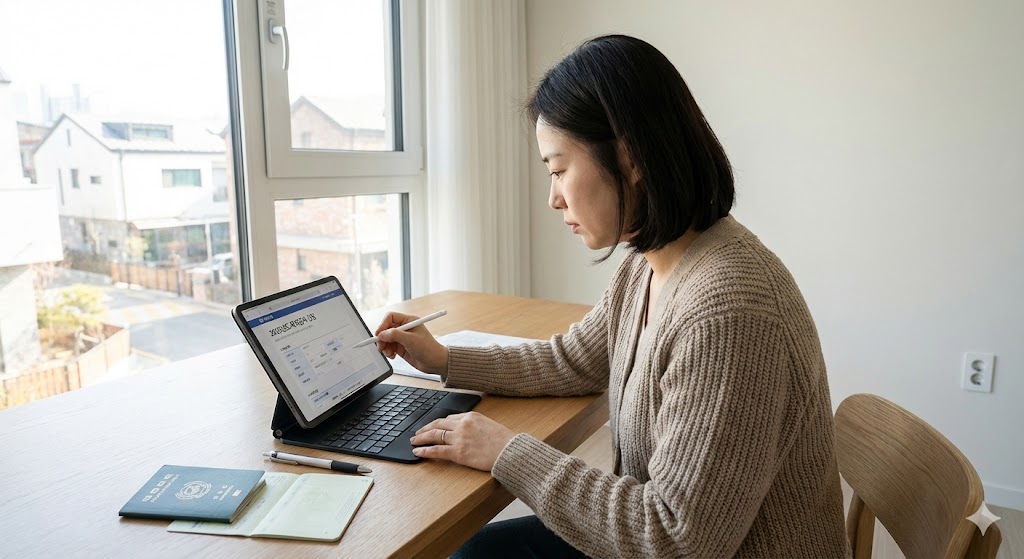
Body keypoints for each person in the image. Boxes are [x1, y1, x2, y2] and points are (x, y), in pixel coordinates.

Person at [374, 34, 850, 558]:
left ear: (628, 158)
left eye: (558, 169)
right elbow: (573, 360)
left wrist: (508, 452)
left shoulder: (729, 311)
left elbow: (672, 539)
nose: (553, 198)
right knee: (473, 553)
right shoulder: (652, 264)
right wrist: (443, 358)